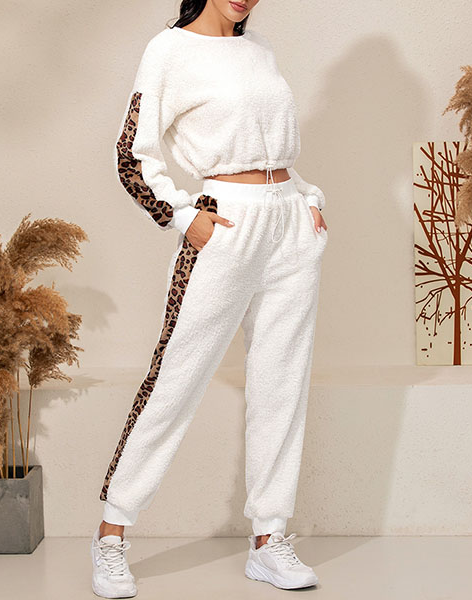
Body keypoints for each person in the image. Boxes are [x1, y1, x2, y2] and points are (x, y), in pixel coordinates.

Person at [91, 1, 328, 597]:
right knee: (175, 377)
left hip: (289, 228)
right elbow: (131, 153)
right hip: (226, 224)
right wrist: (179, 214)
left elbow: (270, 149)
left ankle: (269, 539)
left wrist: (307, 197)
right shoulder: (169, 50)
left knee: (282, 383)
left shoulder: (259, 49)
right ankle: (112, 534)